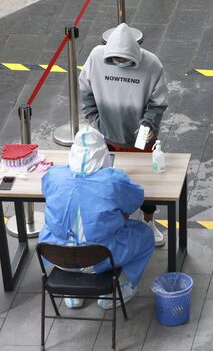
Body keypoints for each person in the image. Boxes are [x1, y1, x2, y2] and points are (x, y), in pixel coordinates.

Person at [39, 126, 155, 310]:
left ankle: (73, 292)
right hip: (101, 255)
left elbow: (47, 193)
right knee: (146, 236)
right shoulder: (113, 180)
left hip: (57, 253)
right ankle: (117, 290)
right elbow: (135, 200)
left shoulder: (54, 175)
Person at [79, 22, 168, 247]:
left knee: (146, 185)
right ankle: (119, 223)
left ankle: (149, 221)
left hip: (139, 136)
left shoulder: (152, 64)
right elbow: (85, 88)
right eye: (117, 61)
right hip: (105, 136)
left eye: (126, 61)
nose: (122, 64)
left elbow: (158, 103)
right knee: (110, 185)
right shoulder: (96, 58)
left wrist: (148, 124)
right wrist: (93, 117)